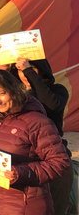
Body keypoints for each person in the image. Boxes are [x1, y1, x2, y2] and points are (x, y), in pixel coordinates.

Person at [0, 70, 70, 215]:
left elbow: (60, 163)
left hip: (26, 207)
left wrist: (21, 173)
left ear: (13, 90)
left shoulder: (36, 122)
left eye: (2, 93)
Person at [14, 57, 72, 215]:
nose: (24, 73)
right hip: (27, 163)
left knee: (57, 208)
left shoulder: (57, 90)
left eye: (31, 67)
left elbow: (51, 104)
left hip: (54, 159)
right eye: (20, 69)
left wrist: (29, 72)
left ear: (42, 69)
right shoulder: (14, 95)